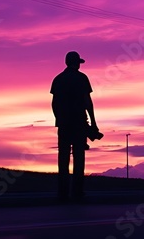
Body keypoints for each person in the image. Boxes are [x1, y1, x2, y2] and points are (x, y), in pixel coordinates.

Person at [50, 50, 97, 201]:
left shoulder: (58, 79)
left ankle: (62, 192)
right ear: (76, 63)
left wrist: (60, 119)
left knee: (63, 158)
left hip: (63, 125)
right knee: (79, 157)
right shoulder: (82, 78)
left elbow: (54, 104)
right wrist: (93, 123)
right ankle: (77, 191)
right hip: (78, 124)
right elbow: (87, 102)